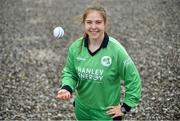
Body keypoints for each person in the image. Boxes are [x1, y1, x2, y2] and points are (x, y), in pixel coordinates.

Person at [56, 3, 141, 120]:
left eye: (98, 22)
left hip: (106, 115)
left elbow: (133, 78)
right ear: (84, 24)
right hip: (82, 111)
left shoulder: (116, 50)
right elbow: (70, 72)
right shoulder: (76, 47)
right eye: (89, 22)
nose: (93, 26)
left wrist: (125, 107)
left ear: (105, 24)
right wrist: (66, 87)